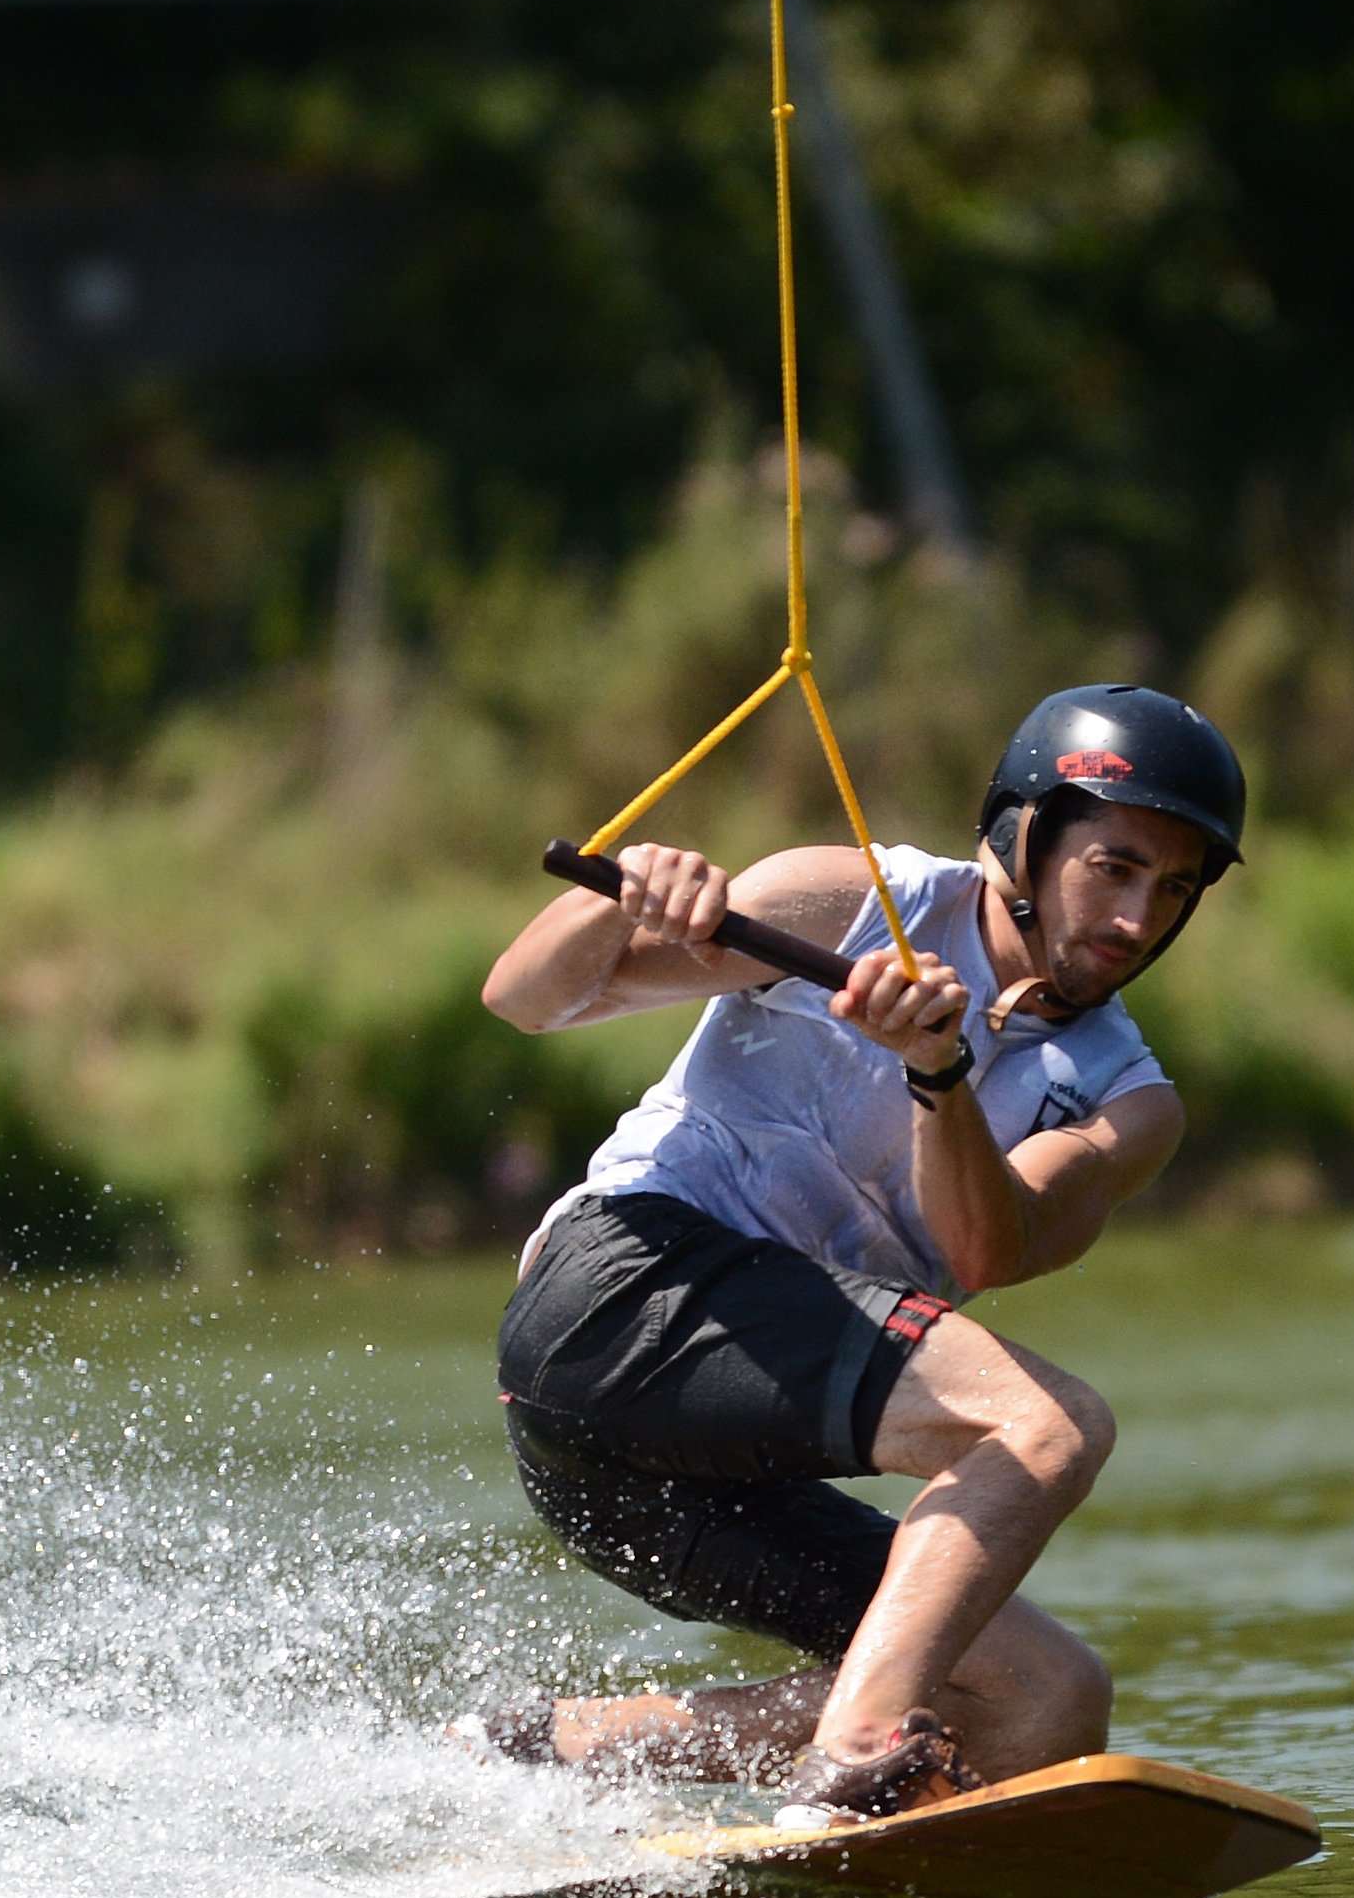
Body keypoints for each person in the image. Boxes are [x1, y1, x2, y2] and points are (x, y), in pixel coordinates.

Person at [467, 685, 1246, 1819]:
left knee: (1041, 1697)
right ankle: (855, 1755)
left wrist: (940, 1074)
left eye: (1173, 890)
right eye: (1113, 869)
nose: (1137, 919)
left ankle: (545, 1747)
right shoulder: (846, 898)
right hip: (614, 1299)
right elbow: (524, 998)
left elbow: (989, 1241)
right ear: (1023, 839)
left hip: (689, 1473)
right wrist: (626, 890)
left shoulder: (1129, 1101)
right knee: (1045, 1424)